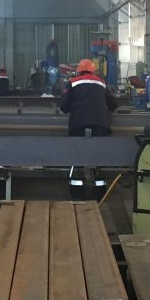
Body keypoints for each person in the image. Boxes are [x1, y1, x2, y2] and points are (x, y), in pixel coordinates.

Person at [59, 58, 118, 201]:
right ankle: (99, 196)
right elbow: (114, 103)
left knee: (77, 160)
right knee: (100, 159)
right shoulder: (101, 83)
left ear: (79, 71)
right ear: (94, 71)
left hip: (78, 125)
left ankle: (77, 196)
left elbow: (64, 107)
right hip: (100, 126)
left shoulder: (73, 82)